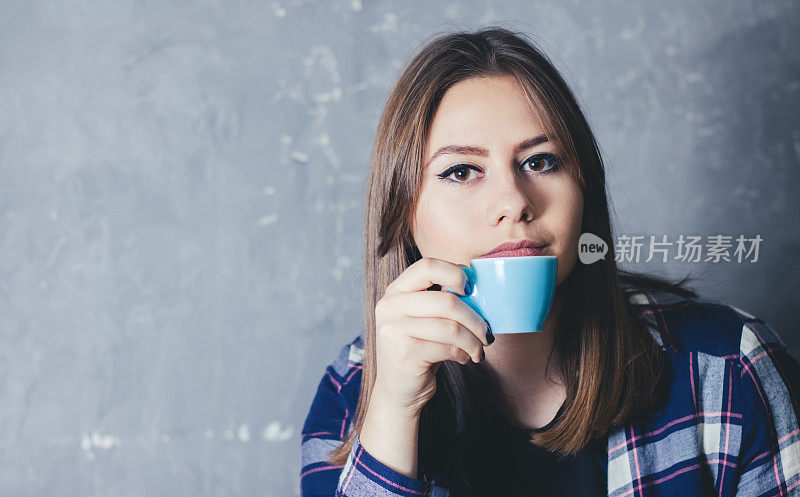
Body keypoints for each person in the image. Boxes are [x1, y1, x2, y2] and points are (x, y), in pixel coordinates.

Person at [299, 26, 800, 496]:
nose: (513, 200)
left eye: (540, 162)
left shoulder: (729, 367)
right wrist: (394, 409)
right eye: (461, 171)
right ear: (403, 213)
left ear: (584, 189)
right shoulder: (356, 388)